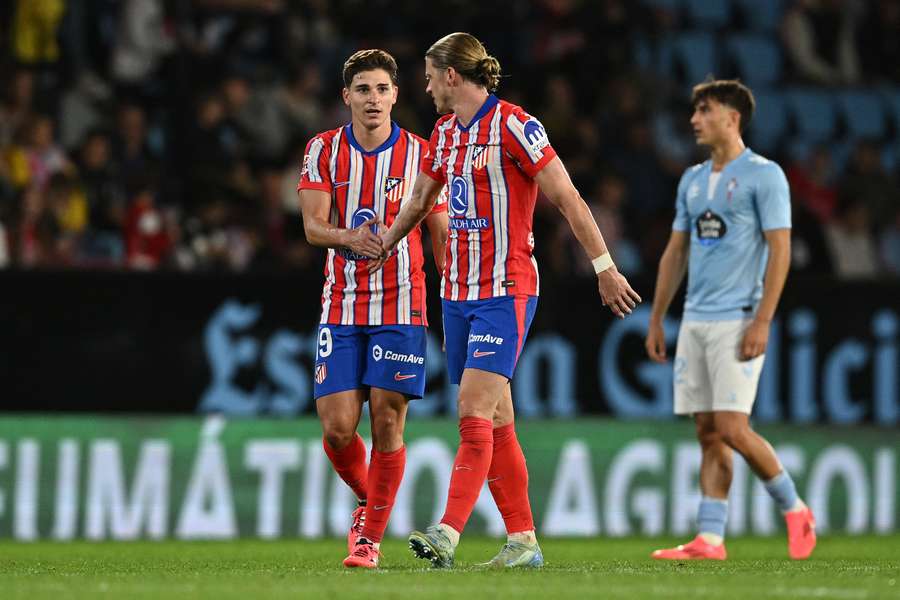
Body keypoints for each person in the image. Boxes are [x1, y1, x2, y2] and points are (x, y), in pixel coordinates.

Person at [373, 32, 640, 569]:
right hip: (458, 293)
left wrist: (604, 266)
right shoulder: (445, 133)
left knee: (472, 408)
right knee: (497, 418)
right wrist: (387, 242)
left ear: (453, 75)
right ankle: (523, 542)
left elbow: (567, 198)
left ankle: (447, 532)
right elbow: (423, 199)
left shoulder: (516, 126)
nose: (423, 87)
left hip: (507, 288)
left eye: (428, 76)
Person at [644, 79, 816, 561]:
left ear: (732, 118)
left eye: (705, 110)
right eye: (695, 110)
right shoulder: (693, 179)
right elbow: (675, 253)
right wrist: (657, 318)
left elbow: (780, 250)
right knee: (708, 433)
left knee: (733, 427)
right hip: (695, 320)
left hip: (738, 318)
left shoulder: (765, 176)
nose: (695, 119)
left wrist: (763, 320)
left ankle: (795, 507)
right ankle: (710, 539)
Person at [297, 49, 448, 569]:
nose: (373, 99)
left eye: (382, 89)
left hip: (402, 305)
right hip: (340, 307)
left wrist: (453, 297)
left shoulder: (422, 154)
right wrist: (349, 238)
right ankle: (372, 498)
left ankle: (369, 540)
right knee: (338, 429)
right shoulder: (323, 151)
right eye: (362, 90)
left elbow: (439, 229)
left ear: (396, 95)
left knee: (387, 420)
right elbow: (313, 227)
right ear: (347, 97)